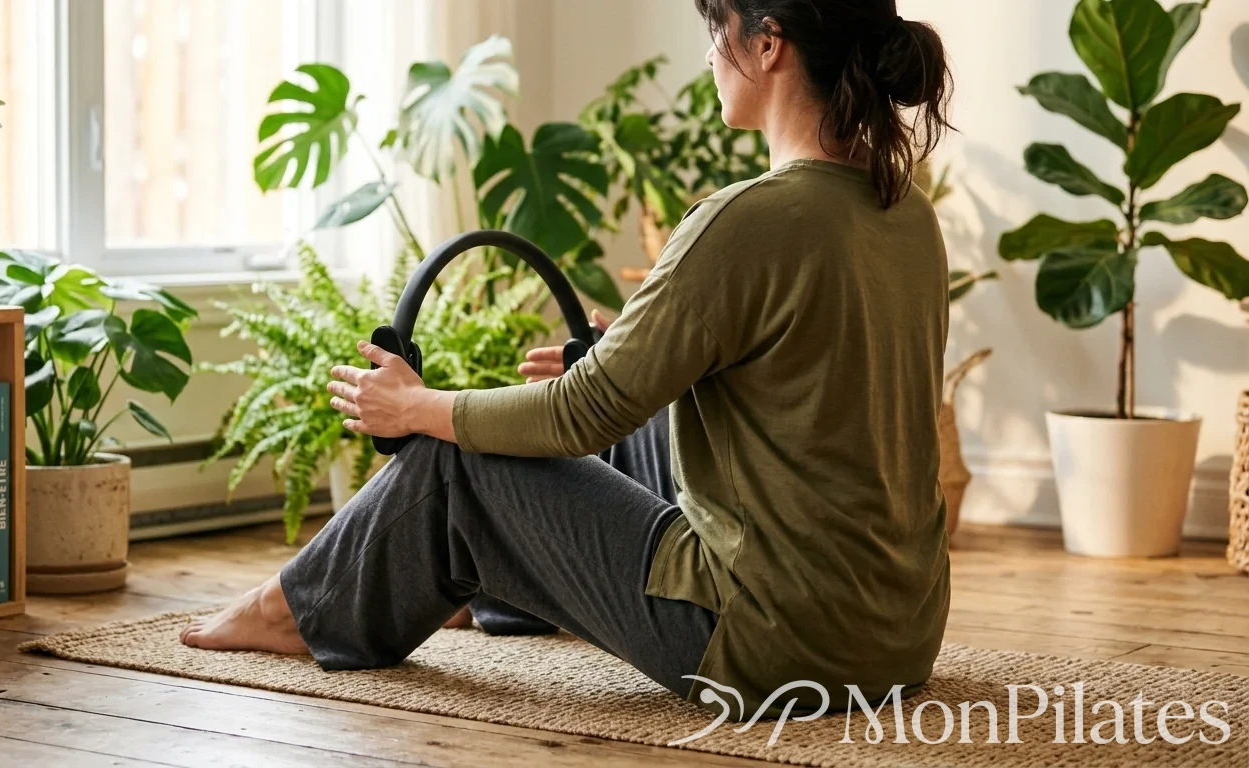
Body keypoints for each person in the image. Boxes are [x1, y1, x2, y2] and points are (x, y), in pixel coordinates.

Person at [181, 0, 955, 721]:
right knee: (640, 425)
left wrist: (414, 407)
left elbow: (580, 413)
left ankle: (297, 610)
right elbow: (820, 387)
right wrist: (638, 351)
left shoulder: (746, 221)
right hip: (896, 637)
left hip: (772, 647)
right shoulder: (906, 211)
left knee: (456, 460)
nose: (709, 55)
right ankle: (489, 595)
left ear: (767, 42)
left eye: (716, 29)